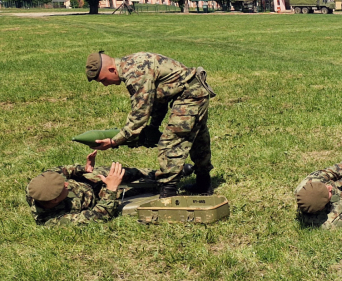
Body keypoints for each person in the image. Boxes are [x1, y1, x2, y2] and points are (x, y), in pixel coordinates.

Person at [85, 51, 215, 199]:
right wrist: (153, 127)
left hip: (190, 96)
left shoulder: (134, 73)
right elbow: (159, 98)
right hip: (193, 91)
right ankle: (203, 184)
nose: (105, 84)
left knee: (171, 142)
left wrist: (114, 141)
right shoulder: (131, 64)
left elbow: (140, 114)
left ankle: (168, 192)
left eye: (103, 80)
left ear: (111, 70)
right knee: (198, 138)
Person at [26, 150, 150, 225]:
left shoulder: (38, 186)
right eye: (63, 187)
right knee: (142, 190)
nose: (67, 184)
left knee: (132, 173)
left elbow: (59, 171)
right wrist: (111, 189)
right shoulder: (54, 220)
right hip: (99, 198)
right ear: (55, 200)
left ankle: (157, 173)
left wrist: (83, 169)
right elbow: (98, 216)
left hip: (87, 180)